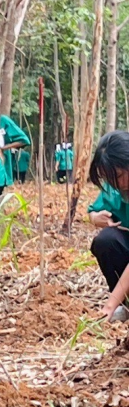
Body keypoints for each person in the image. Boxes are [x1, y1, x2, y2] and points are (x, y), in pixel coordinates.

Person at [87, 131, 129, 324]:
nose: (118, 184)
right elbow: (93, 212)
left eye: (120, 175)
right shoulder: (115, 187)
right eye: (111, 178)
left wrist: (110, 304)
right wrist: (97, 218)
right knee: (106, 241)